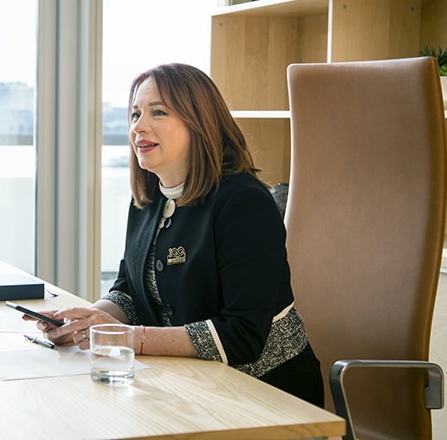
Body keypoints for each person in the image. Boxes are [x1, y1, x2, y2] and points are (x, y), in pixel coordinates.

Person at [34, 63, 324, 406]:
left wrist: (128, 338)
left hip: (266, 396)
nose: (138, 126)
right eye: (135, 114)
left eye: (158, 112)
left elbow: (242, 336)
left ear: (200, 123)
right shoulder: (149, 198)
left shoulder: (244, 203)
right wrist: (84, 323)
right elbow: (129, 290)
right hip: (188, 385)